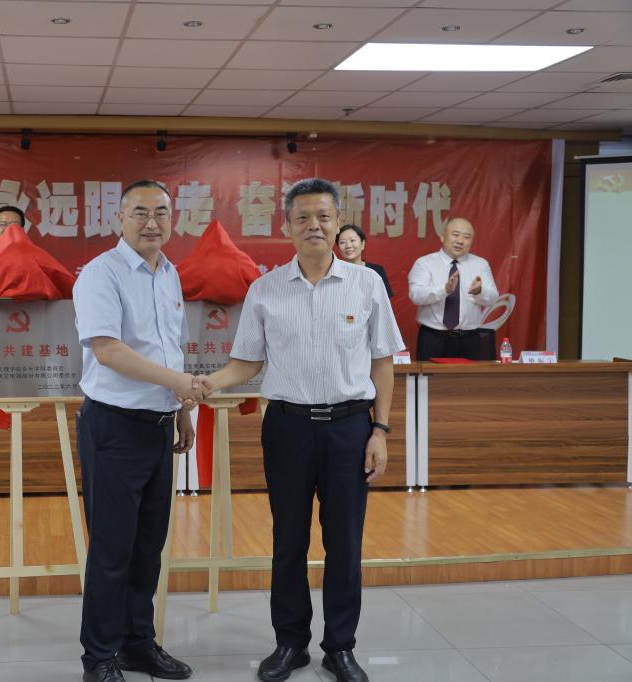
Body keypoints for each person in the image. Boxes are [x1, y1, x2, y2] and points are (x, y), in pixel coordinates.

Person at [199, 179, 404, 682]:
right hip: (287, 428)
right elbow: (247, 363)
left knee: (344, 543)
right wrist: (205, 384)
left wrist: (380, 431)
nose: (314, 225)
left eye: (324, 217)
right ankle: (290, 643)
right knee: (287, 540)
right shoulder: (265, 289)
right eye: (303, 217)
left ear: (338, 223)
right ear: (286, 226)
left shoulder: (366, 284)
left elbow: (383, 362)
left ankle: (340, 647)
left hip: (350, 428)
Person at [73, 180, 201, 682]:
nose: (152, 222)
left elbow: (172, 347)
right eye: (141, 212)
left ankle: (137, 645)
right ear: (120, 218)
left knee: (148, 546)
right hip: (114, 426)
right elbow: (108, 350)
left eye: (161, 213)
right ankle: (99, 659)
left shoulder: (169, 273)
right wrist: (178, 383)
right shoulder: (100, 273)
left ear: (173, 219)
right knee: (112, 550)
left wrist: (181, 405)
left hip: (159, 426)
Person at [407, 217, 499, 361]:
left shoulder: (480, 264)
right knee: (430, 376)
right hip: (433, 338)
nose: (460, 241)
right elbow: (416, 295)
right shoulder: (424, 263)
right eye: (456, 235)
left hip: (470, 339)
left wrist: (479, 291)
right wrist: (444, 289)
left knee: (471, 377)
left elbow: (493, 298)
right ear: (442, 236)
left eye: (467, 237)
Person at [336, 224, 393, 297]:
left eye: (352, 240)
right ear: (338, 247)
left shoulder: (376, 271)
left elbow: (384, 301)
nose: (348, 246)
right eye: (342, 242)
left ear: (362, 244)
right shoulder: (334, 272)